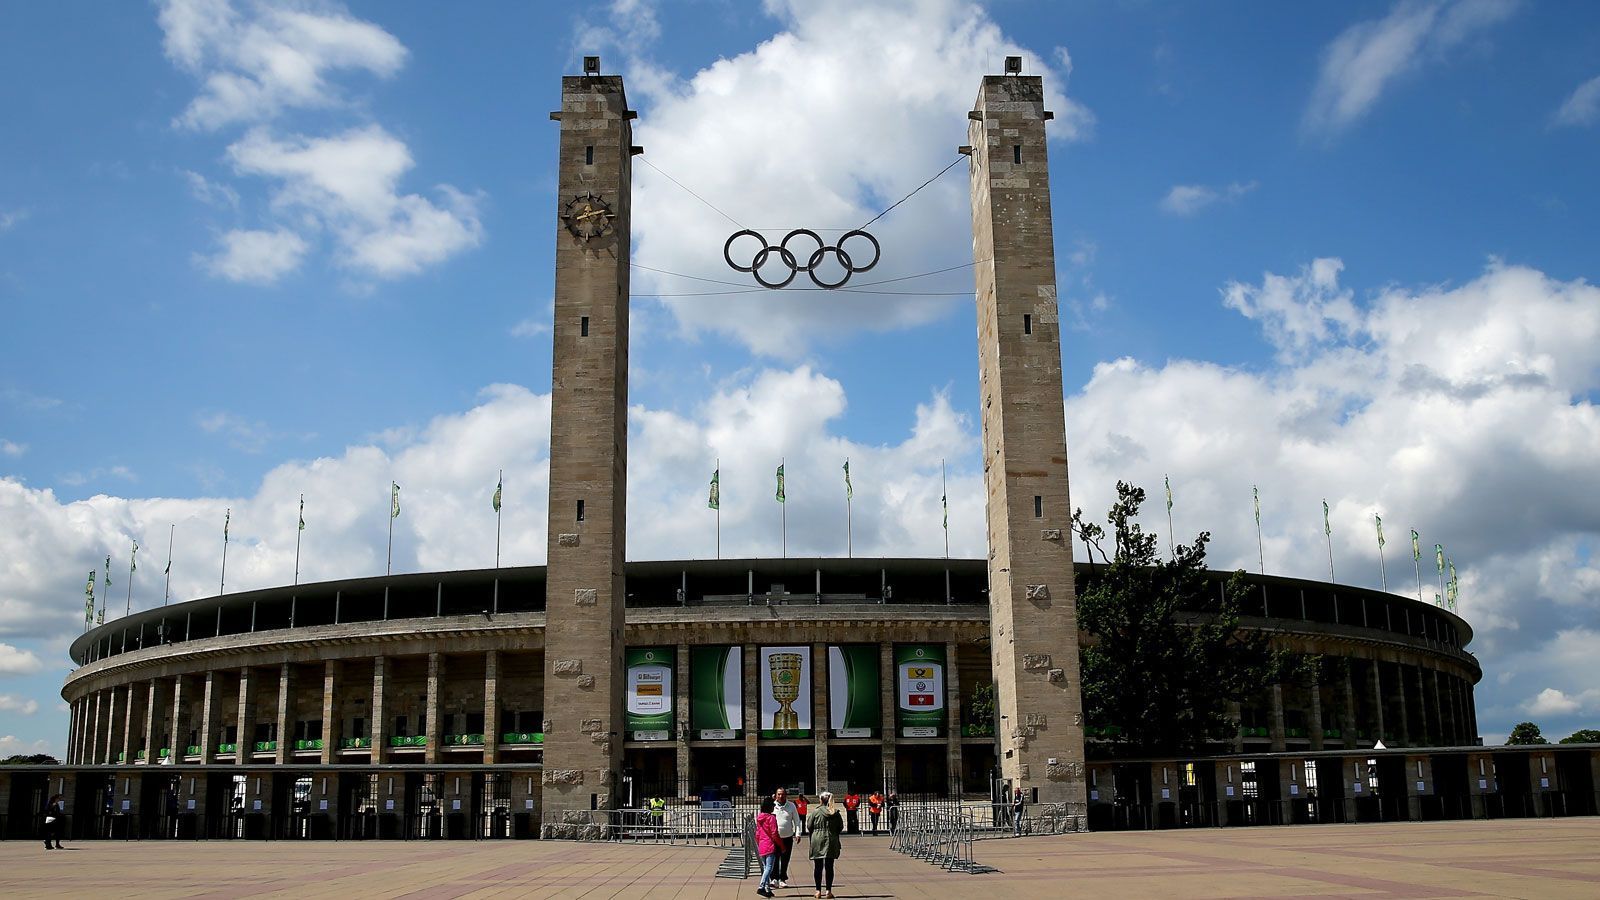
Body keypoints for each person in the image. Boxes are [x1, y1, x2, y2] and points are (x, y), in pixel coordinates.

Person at [806, 790, 845, 899]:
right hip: (831, 839)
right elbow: (840, 827)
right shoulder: (835, 813)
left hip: (817, 840)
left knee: (818, 866)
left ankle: (818, 890)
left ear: (820, 800)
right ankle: (828, 890)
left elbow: (809, 826)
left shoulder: (816, 812)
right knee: (829, 866)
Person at [772, 787, 800, 889]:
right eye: (779, 794)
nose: (781, 796)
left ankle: (782, 878)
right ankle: (774, 878)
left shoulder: (791, 806)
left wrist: (798, 833)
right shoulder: (772, 805)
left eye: (783, 794)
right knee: (774, 858)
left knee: (785, 859)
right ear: (775, 795)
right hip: (775, 837)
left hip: (787, 837)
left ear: (786, 795)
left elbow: (797, 821)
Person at [754, 798, 781, 898]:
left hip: (762, 843)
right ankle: (761, 887)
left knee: (766, 867)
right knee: (769, 867)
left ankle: (767, 888)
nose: (774, 807)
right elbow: (774, 833)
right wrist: (781, 845)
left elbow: (757, 833)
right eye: (773, 805)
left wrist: (759, 843)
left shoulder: (760, 817)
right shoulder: (771, 818)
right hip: (770, 844)